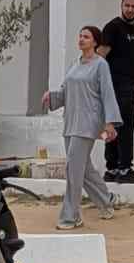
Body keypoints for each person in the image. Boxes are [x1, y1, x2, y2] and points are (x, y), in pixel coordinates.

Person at [41, 25, 121, 230]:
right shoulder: (74, 64)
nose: (81, 39)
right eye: (80, 36)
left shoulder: (101, 65)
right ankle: (106, 200)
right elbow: (65, 90)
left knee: (73, 170)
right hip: (70, 122)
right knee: (84, 169)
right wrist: (52, 96)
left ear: (95, 42)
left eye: (86, 37)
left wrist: (109, 122)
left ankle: (71, 216)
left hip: (88, 124)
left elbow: (107, 93)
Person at [98, 0, 134, 183]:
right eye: (126, 5)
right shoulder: (112, 28)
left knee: (126, 127)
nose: (129, 9)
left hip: (130, 88)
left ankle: (117, 169)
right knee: (115, 128)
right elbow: (100, 56)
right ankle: (119, 169)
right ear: (121, 5)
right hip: (114, 87)